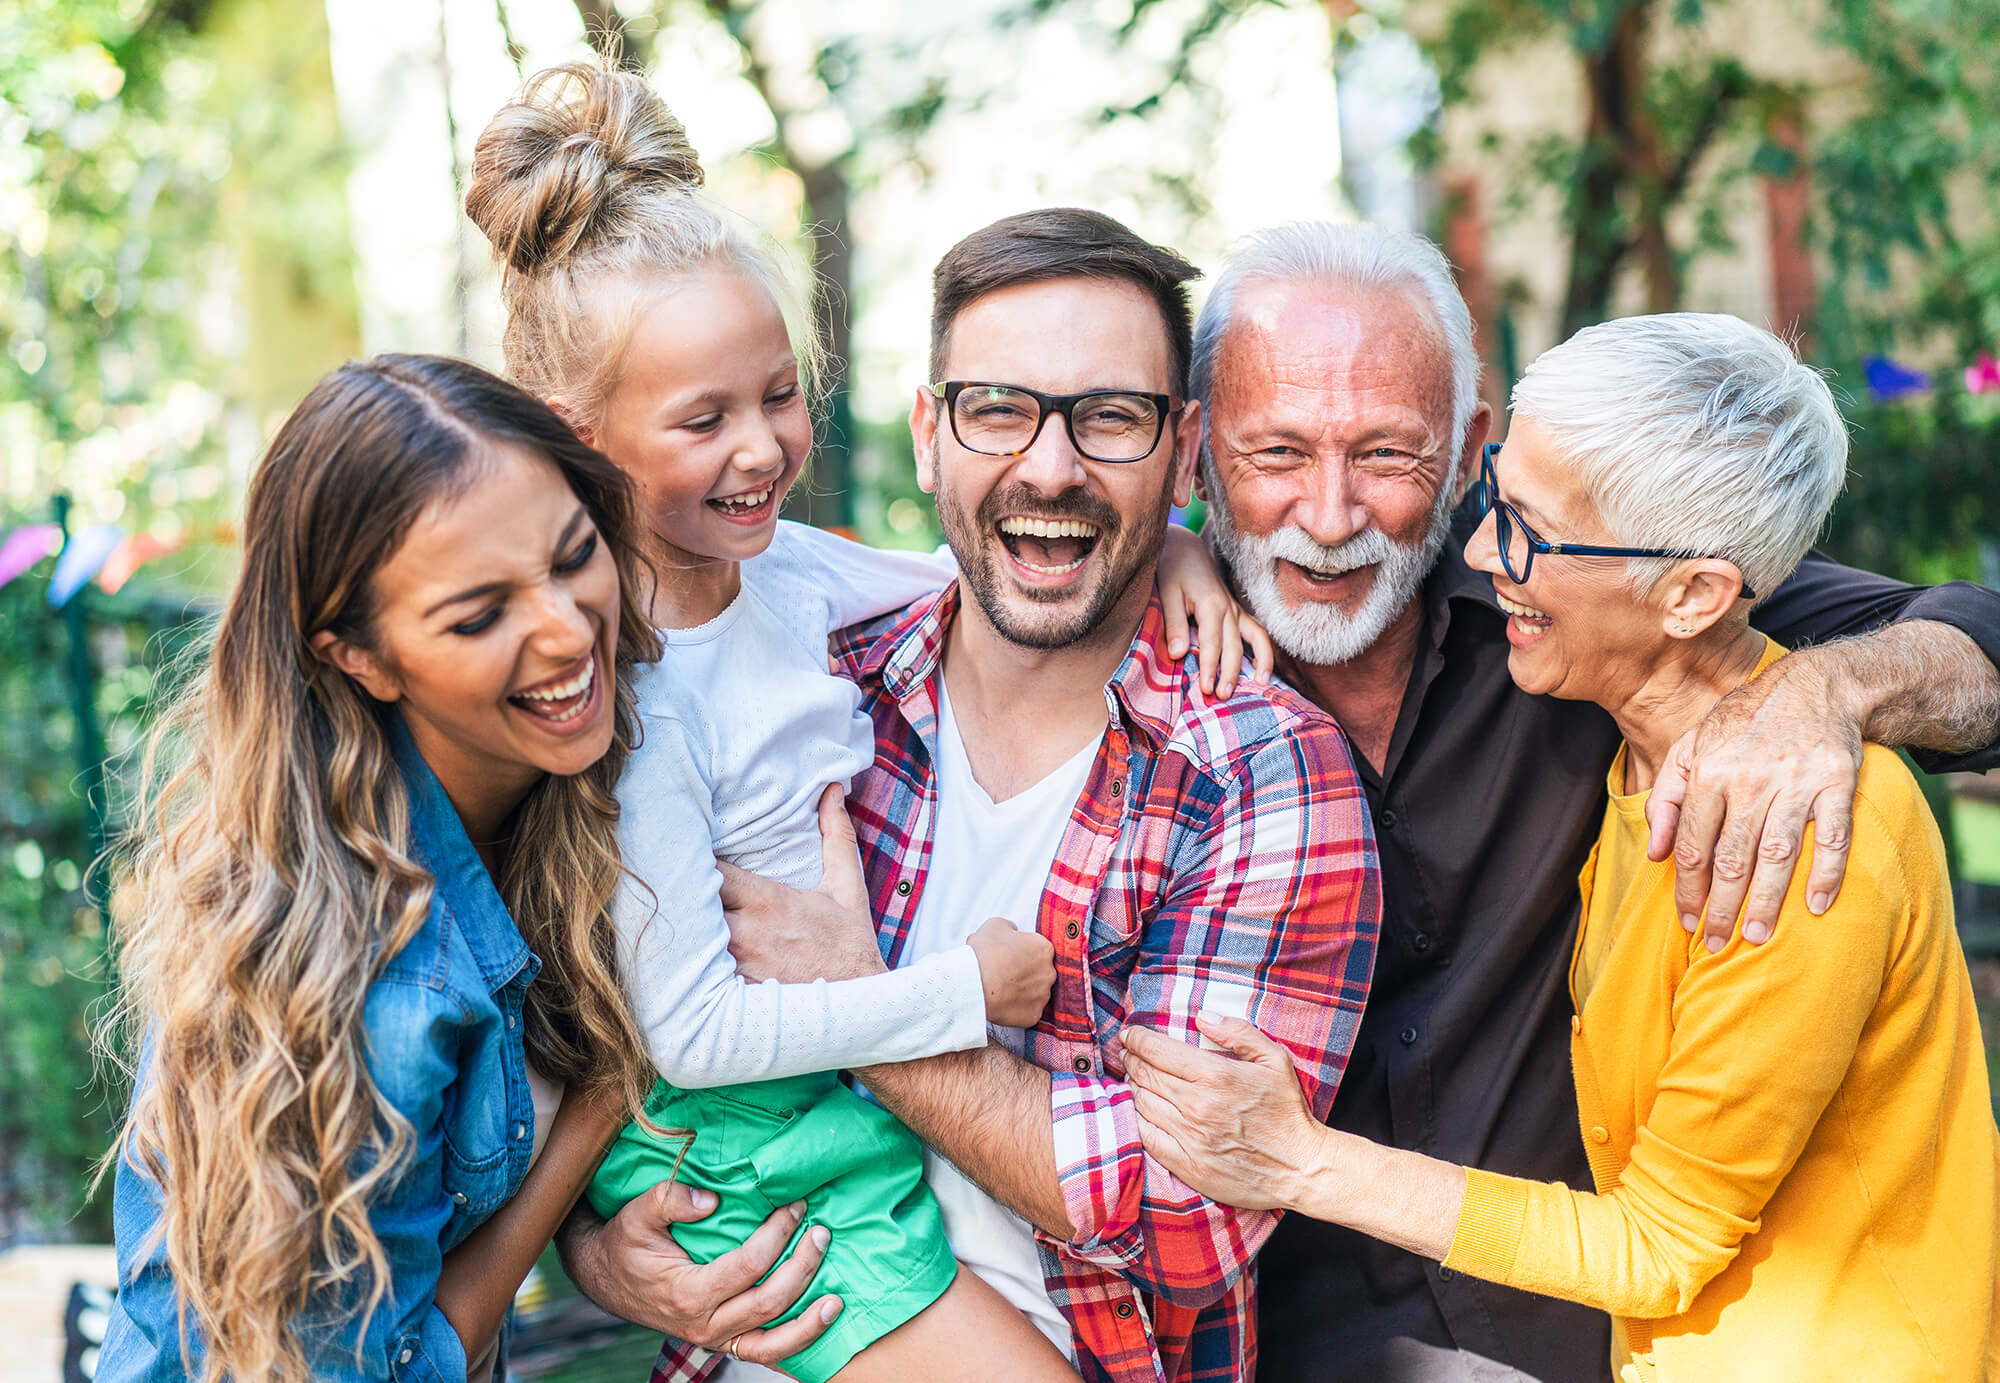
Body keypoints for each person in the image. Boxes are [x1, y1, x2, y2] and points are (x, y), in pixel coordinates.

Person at [464, 72, 1269, 1383]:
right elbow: (691, 1031)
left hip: (815, 1111)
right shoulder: (640, 697)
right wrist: (962, 991)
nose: (763, 447)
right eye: (702, 420)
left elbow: (994, 565)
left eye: (778, 394)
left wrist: (1174, 548)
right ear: (581, 438)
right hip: (733, 1131)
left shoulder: (782, 572)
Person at [1179, 221, 2000, 1381]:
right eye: (1271, 454)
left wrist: (1834, 681)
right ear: (1194, 453)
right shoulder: (1159, 658)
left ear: (1462, 452)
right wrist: (1165, 558)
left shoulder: (1757, 772)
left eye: (1386, 457)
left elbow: (1975, 638)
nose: (1328, 512)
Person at [95, 355, 664, 1382]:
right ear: (358, 655)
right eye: (478, 616)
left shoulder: (549, 775)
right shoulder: (375, 988)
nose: (567, 628)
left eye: (575, 554)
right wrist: (595, 1111)